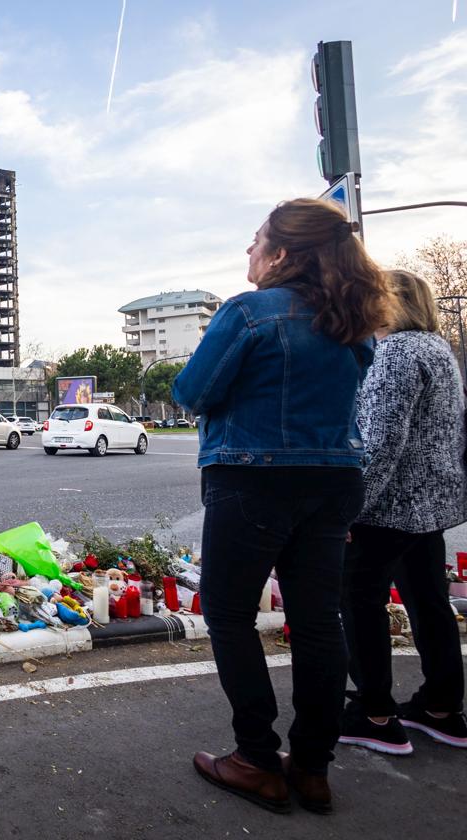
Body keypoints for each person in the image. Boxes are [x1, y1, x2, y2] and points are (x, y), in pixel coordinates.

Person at [172, 198, 393, 815]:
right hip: (334, 480)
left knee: (229, 611)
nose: (248, 251)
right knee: (319, 621)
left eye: (255, 241)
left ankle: (255, 757)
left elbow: (191, 391)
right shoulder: (348, 321)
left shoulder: (248, 312)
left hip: (253, 479)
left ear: (282, 254)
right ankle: (313, 767)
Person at [339, 269, 467, 755]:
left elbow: (380, 442)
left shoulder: (394, 354)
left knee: (358, 601)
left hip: (389, 508)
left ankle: (374, 713)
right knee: (430, 603)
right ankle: (442, 708)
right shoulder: (438, 349)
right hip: (431, 506)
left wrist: (351, 510)